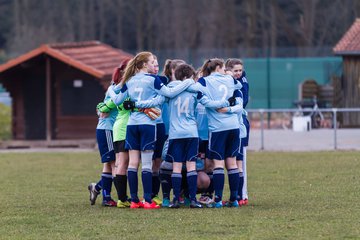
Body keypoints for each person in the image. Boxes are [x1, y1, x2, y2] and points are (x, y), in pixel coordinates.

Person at [107, 52, 194, 209]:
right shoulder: (153, 80)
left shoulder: (130, 80)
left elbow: (118, 100)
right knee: (146, 164)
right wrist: (188, 83)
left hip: (132, 124)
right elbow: (169, 93)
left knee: (133, 163)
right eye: (152, 61)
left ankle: (134, 201)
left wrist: (112, 90)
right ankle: (147, 200)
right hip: (148, 125)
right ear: (144, 65)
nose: (154, 63)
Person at [187, 58, 243, 208]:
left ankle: (217, 199)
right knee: (232, 163)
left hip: (218, 128)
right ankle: (234, 199)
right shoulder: (229, 79)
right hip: (233, 126)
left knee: (218, 164)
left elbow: (194, 90)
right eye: (224, 67)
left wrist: (210, 101)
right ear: (218, 67)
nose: (225, 70)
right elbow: (239, 84)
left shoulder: (205, 81)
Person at [225, 58, 250, 206]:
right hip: (228, 125)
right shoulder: (226, 83)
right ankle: (237, 195)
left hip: (240, 125)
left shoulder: (241, 85)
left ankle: (242, 194)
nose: (238, 73)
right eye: (236, 71)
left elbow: (243, 102)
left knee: (240, 161)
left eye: (240, 70)